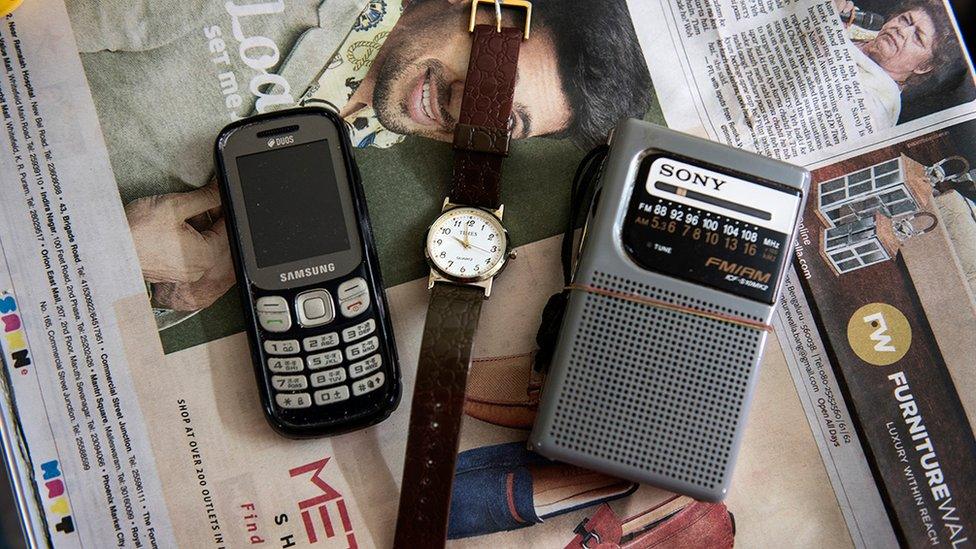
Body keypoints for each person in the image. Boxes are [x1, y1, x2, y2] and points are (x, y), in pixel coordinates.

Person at [128, 0, 654, 313]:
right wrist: (117, 243)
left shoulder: (337, 164)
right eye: (493, 72)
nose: (460, 104)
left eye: (503, 117)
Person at [834, 0, 960, 128]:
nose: (902, 30)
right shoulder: (859, 20)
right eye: (905, 20)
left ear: (923, 67)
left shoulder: (877, 107)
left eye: (917, 37)